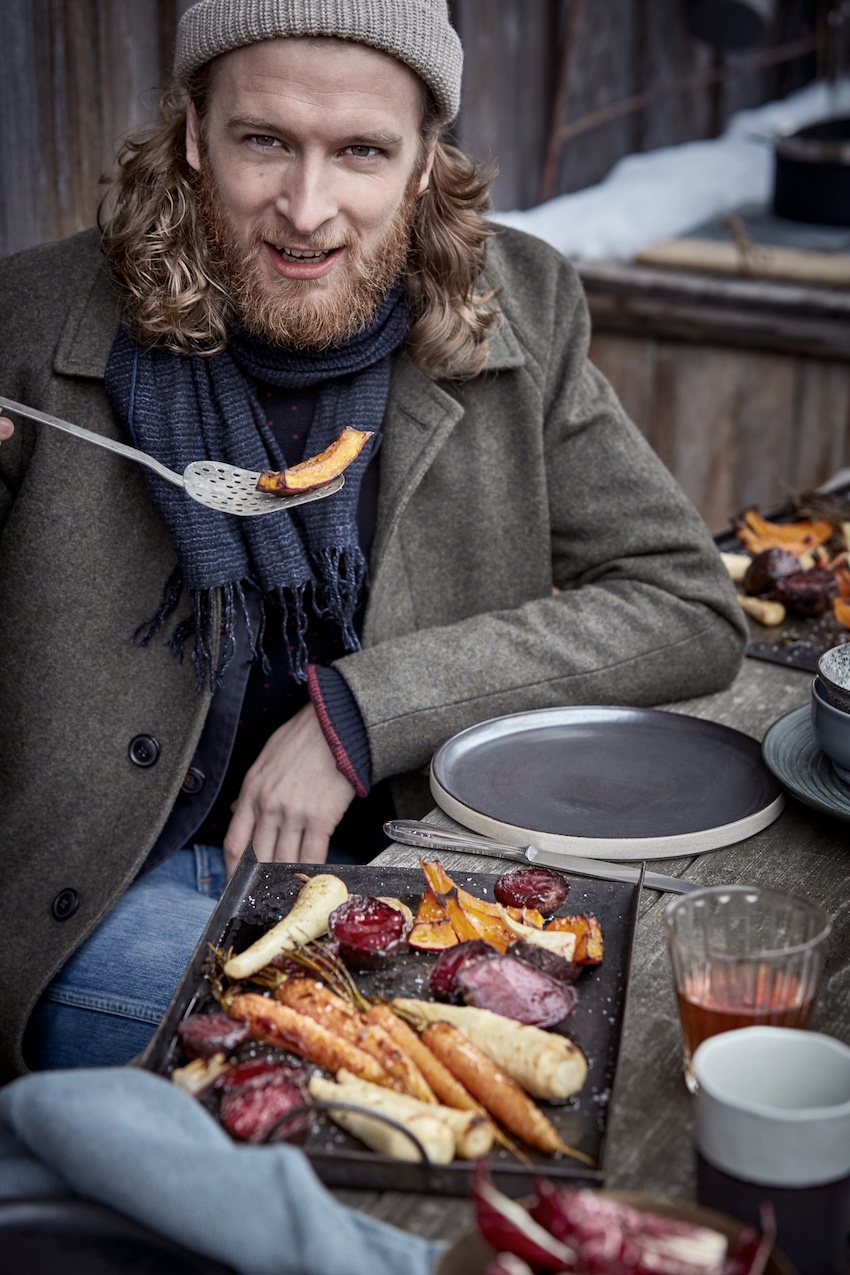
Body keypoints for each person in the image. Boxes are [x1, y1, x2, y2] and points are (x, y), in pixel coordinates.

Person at [0, 0, 746, 1082]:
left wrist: (362, 711)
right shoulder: (27, 324)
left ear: (424, 159)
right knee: (406, 1067)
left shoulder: (521, 305)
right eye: (264, 141)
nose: (307, 210)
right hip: (107, 902)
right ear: (194, 134)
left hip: (418, 876)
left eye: (361, 151)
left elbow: (685, 601)